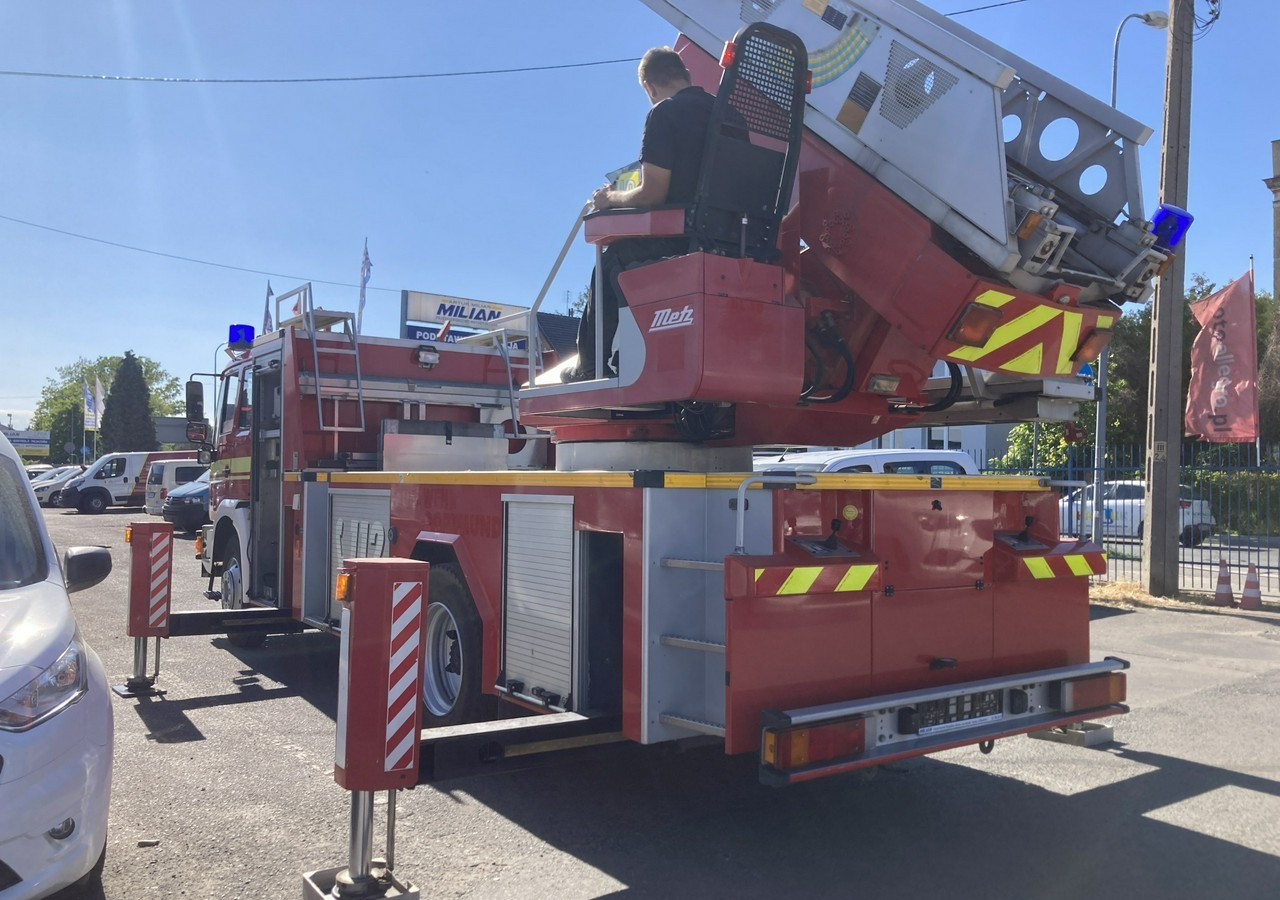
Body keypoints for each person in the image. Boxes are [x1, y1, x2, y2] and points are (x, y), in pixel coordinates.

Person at [563, 47, 716, 383]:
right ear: (686, 74)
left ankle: (590, 364)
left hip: (682, 239)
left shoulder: (665, 113)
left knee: (612, 258)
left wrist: (610, 200)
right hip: (728, 239)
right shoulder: (728, 115)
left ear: (649, 87)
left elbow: (652, 193)